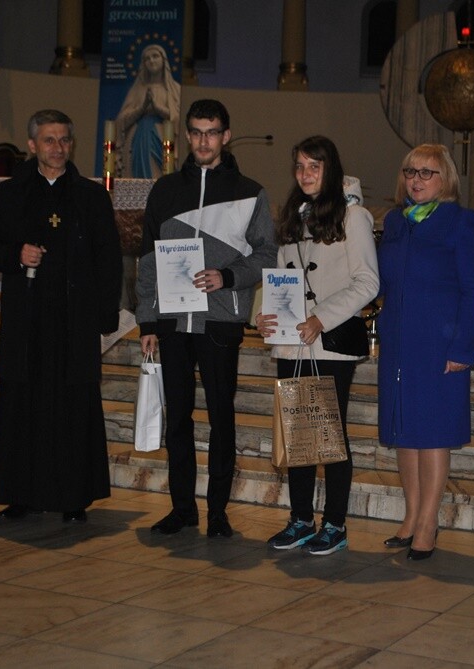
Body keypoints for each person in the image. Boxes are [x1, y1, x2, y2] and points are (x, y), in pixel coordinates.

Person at [136, 99, 277, 538]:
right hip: (172, 323)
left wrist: (228, 276)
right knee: (177, 418)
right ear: (187, 135)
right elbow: (147, 259)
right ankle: (183, 509)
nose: (203, 141)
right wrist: (147, 322)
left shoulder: (250, 192)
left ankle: (217, 512)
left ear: (225, 136)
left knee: (221, 418)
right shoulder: (164, 191)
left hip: (220, 321)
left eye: (211, 132)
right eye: (196, 132)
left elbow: (268, 255)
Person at [0, 109, 122, 524]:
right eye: (49, 140)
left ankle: (74, 498)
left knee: (72, 409)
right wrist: (16, 254)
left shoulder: (91, 196)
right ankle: (20, 495)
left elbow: (109, 259)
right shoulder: (11, 192)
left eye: (64, 140)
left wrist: (105, 316)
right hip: (26, 323)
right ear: (32, 145)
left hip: (74, 323)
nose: (58, 148)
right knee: (23, 407)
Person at [256, 136, 379, 556]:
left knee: (330, 436)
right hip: (292, 345)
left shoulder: (353, 216)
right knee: (298, 437)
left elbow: (368, 282)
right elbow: (280, 279)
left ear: (331, 169)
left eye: (314, 166)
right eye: (300, 166)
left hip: (329, 343)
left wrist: (320, 318)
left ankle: (336, 524)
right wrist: (266, 315)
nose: (305, 174)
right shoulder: (294, 217)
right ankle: (301, 519)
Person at [376, 144, 474, 561]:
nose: (416, 180)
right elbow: (379, 281)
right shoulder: (395, 221)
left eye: (427, 173)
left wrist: (463, 347)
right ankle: (410, 516)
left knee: (434, 434)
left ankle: (428, 522)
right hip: (399, 342)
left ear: (446, 179)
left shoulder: (460, 221)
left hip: (440, 346)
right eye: (410, 172)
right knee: (404, 431)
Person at [116, 43, 181, 179]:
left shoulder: (174, 89)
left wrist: (157, 108)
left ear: (164, 60)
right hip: (138, 139)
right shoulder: (137, 89)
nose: (151, 61)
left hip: (162, 139)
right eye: (147, 58)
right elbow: (122, 120)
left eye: (155, 56)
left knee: (162, 178)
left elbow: (178, 119)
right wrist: (142, 108)